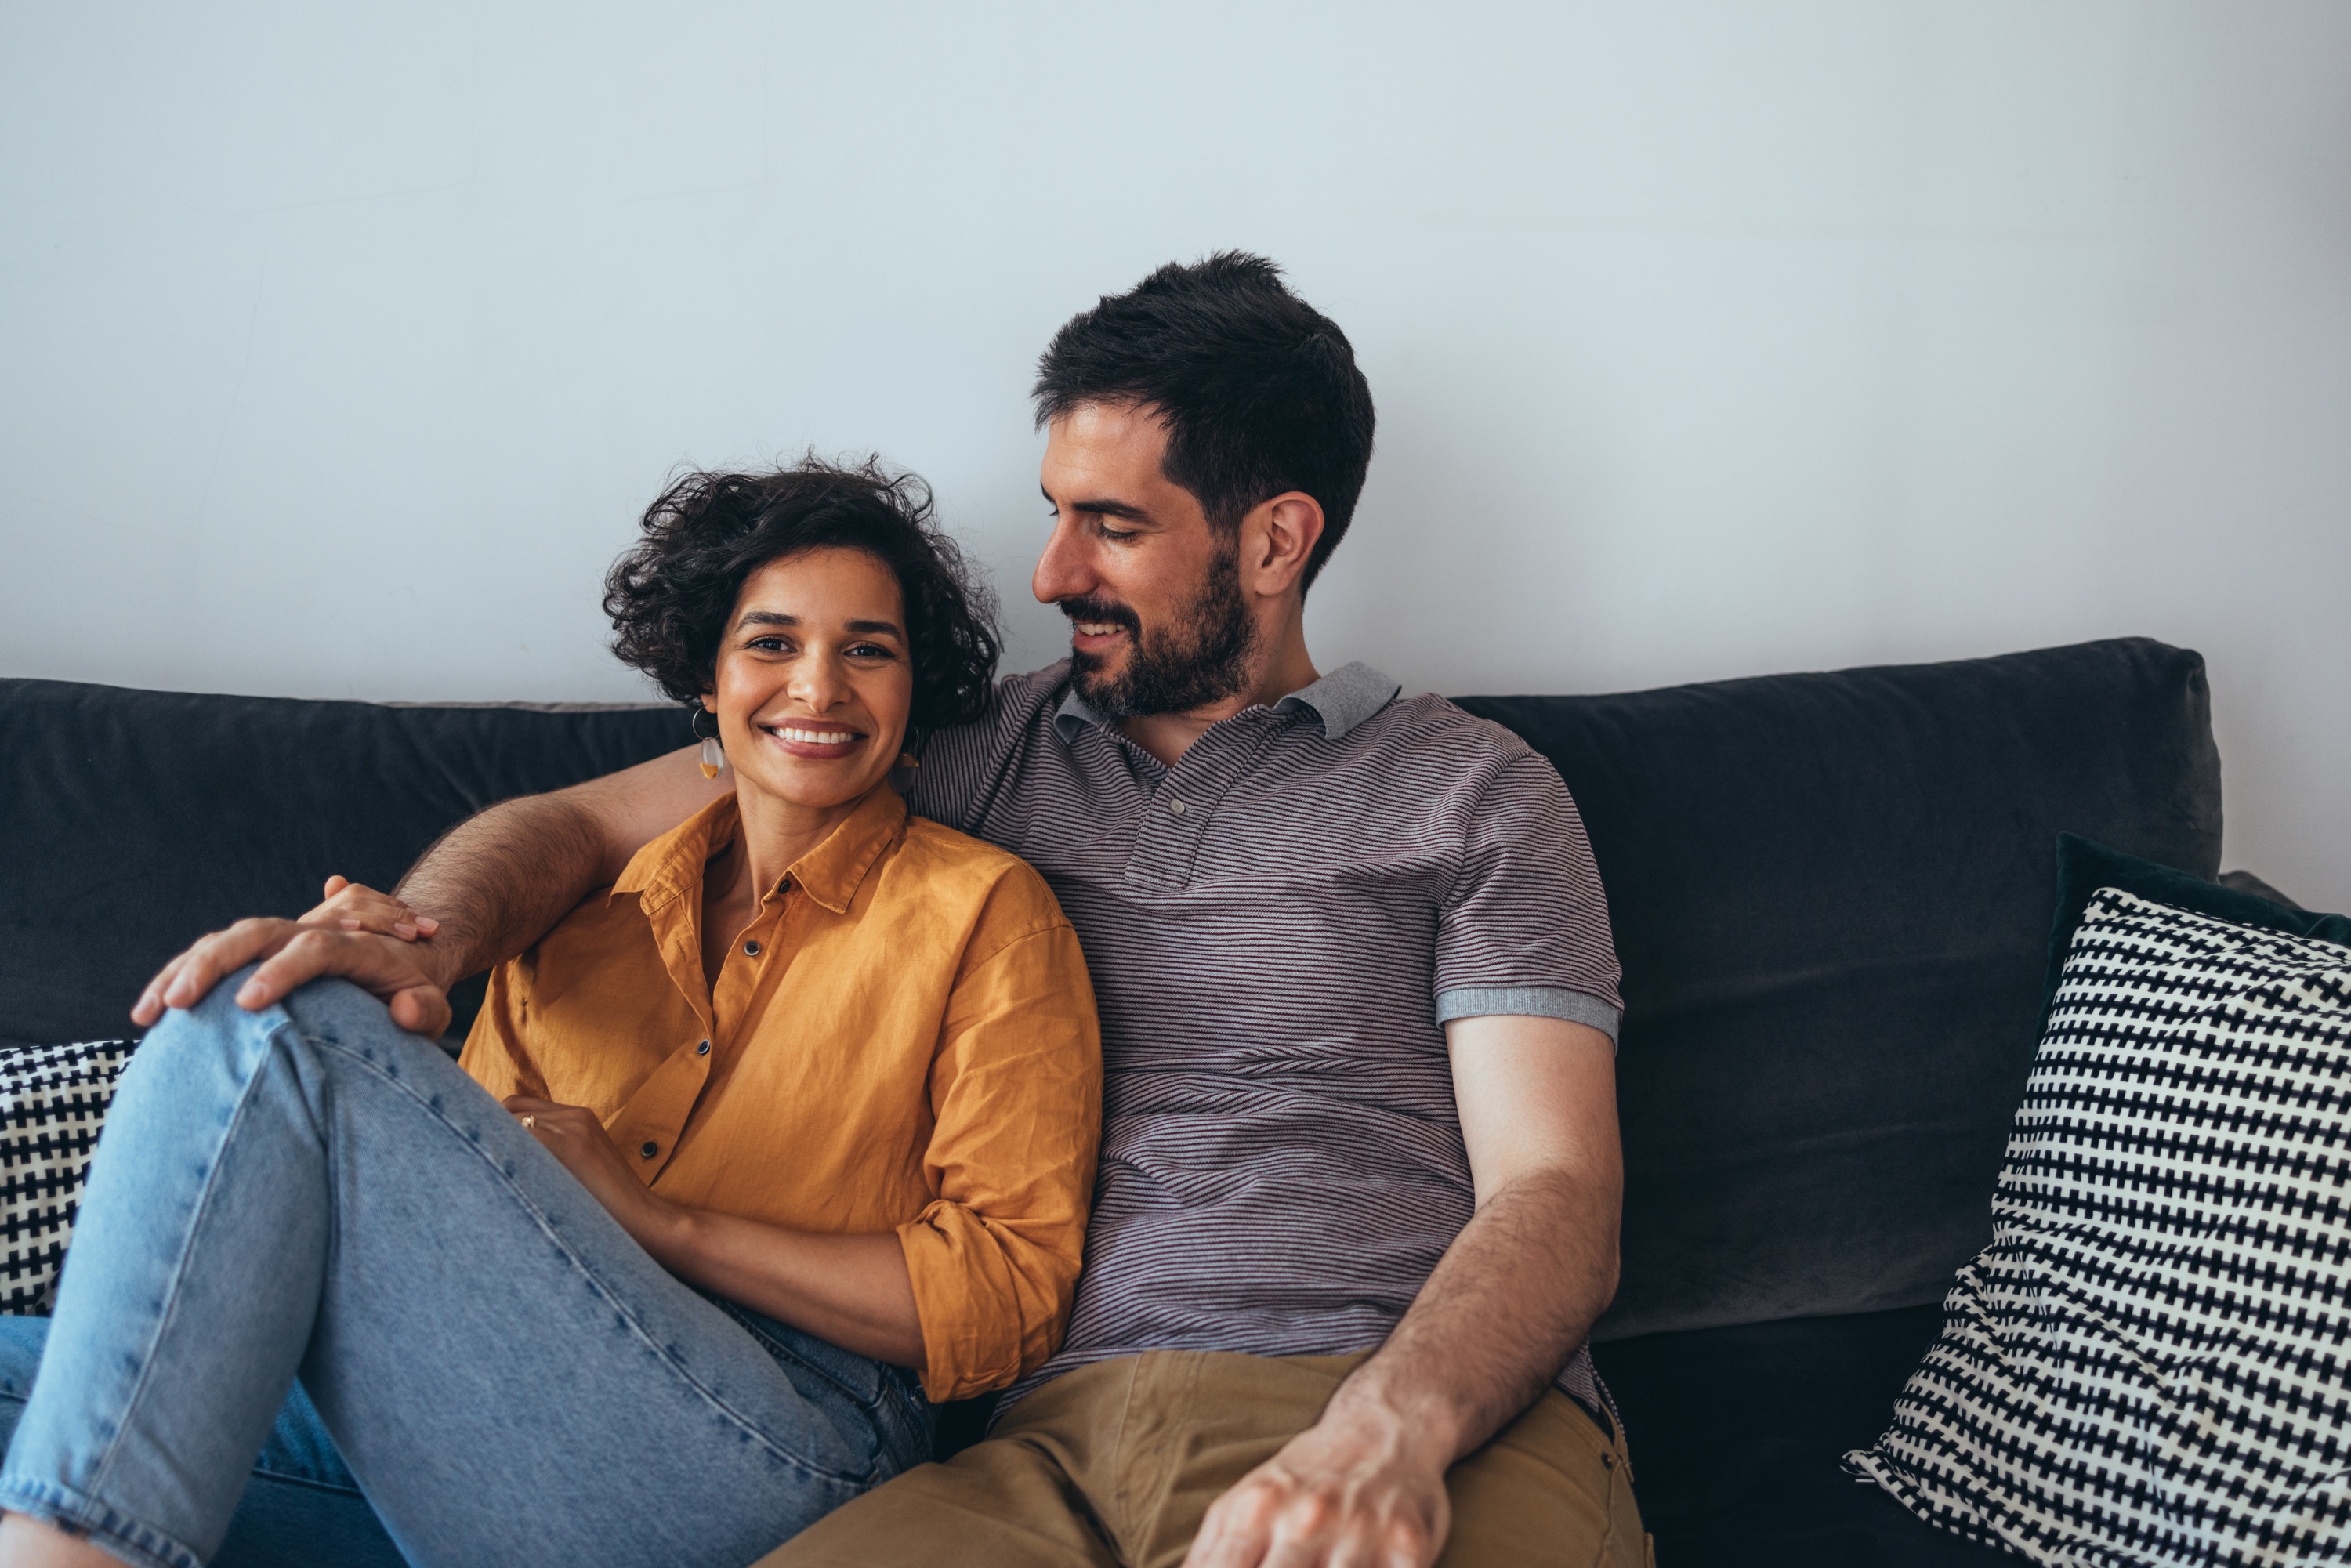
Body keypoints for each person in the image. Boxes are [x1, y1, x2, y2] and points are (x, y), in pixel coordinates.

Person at [125, 252, 1643, 1568]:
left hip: (1387, 1399)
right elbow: (586, 821)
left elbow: (1558, 1193)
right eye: (1053, 512)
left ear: (1274, 540)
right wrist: (420, 940)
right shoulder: (967, 749)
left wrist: (1390, 1427)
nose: (1050, 570)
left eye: (1108, 525)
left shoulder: (1472, 793)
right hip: (1038, 1455)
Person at [0, 462, 1103, 1568]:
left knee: (278, 1009)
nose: (818, 687)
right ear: (708, 679)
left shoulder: (986, 913)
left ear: (914, 691)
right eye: (771, 643)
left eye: (869, 649)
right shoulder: (580, 920)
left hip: (787, 1444)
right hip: (501, 1411)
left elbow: (1006, 1291)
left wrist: (661, 1224)